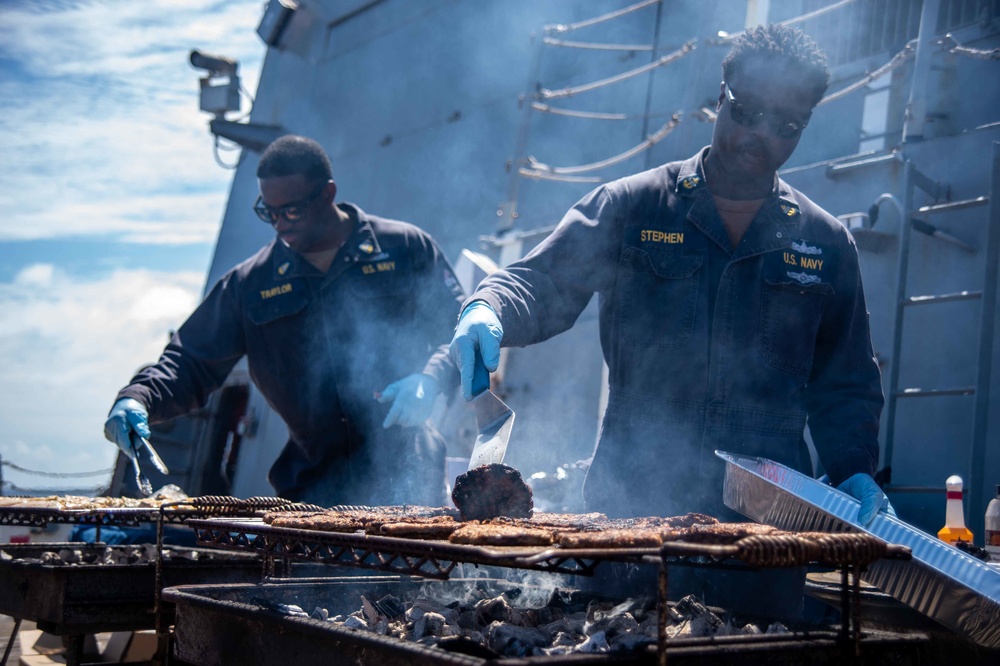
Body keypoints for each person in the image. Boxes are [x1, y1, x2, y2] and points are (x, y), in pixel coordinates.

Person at [450, 24, 893, 527]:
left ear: (805, 124)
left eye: (786, 125)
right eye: (747, 113)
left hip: (767, 531)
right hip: (631, 516)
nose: (762, 135)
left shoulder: (827, 243)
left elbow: (847, 382)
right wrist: (488, 307)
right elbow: (543, 280)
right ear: (720, 97)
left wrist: (856, 467)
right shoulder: (632, 207)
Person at [104, 135, 465, 507]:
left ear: (327, 194)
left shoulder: (405, 248)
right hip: (312, 489)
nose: (279, 224)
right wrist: (139, 397)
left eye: (291, 211)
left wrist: (431, 378)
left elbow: (460, 330)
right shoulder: (251, 284)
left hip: (409, 475)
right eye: (268, 212)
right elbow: (190, 361)